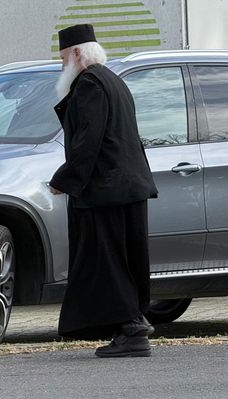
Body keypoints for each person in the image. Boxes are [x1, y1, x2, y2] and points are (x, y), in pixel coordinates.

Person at [48, 24, 159, 358]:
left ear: (77, 53)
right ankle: (132, 324)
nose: (62, 66)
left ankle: (131, 329)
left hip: (105, 191)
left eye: (63, 59)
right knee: (124, 259)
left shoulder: (89, 84)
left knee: (106, 261)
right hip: (125, 187)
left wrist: (65, 179)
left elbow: (89, 139)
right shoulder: (113, 80)